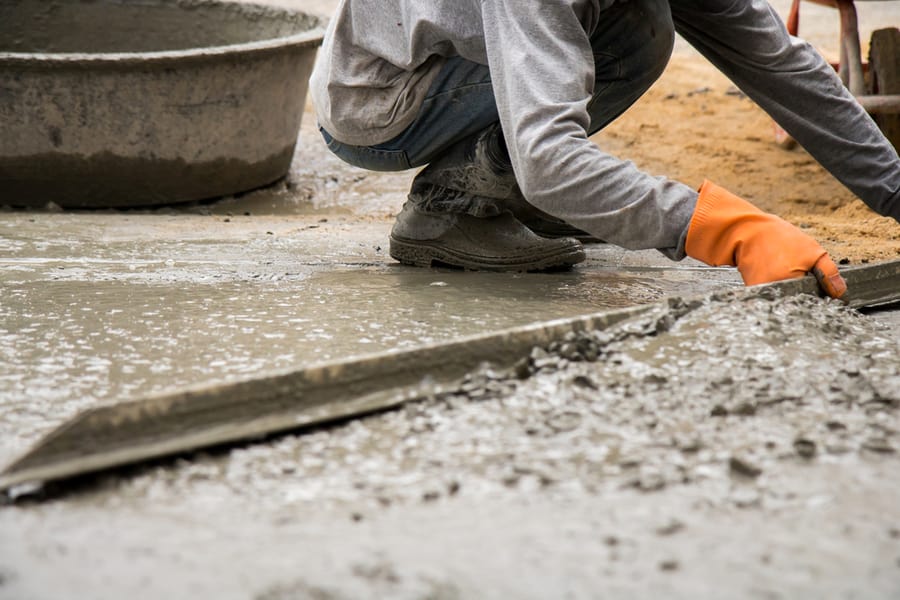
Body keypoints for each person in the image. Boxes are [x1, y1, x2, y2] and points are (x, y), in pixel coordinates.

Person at [310, 0, 900, 299]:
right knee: (629, 41)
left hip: (452, 64)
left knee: (640, 23)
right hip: (379, 98)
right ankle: (447, 210)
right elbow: (551, 163)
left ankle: (498, 183)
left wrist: (895, 189)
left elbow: (776, 62)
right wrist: (731, 231)